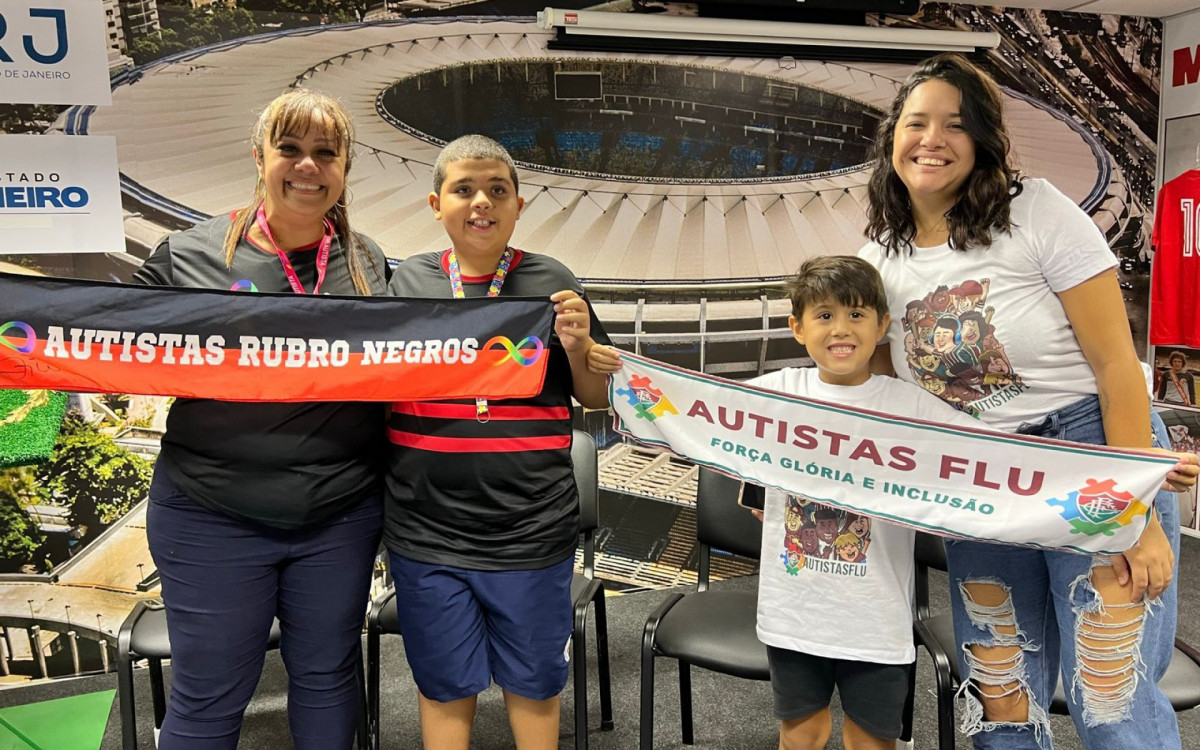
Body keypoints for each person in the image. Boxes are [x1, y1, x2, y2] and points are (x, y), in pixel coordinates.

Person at [858, 53, 1199, 749]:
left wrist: (1142, 517)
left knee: (1111, 702)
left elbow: (1115, 368)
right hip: (980, 479)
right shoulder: (879, 260)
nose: (932, 139)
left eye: (955, 125)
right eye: (916, 123)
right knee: (1000, 696)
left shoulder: (1036, 212)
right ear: (892, 136)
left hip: (1086, 455)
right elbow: (893, 397)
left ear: (983, 140)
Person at [591, 256, 984, 750]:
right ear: (797, 327)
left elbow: (990, 463)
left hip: (876, 619)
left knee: (874, 739)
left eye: (857, 315)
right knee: (800, 733)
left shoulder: (911, 407)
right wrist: (617, 371)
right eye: (824, 316)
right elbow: (691, 408)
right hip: (795, 616)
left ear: (883, 325)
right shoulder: (776, 395)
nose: (841, 329)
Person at [133, 89, 389, 750]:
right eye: (291, 149)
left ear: (344, 168)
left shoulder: (369, 264)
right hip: (210, 514)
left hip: (339, 514)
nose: (308, 166)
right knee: (211, 692)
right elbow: (104, 340)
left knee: (329, 678)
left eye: (325, 153)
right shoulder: (188, 258)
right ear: (259, 157)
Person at [383, 134, 610, 750]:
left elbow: (595, 396)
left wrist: (577, 347)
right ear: (437, 204)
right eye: (463, 189)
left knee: (534, 688)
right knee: (443, 688)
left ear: (518, 204)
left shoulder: (552, 281)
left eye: (497, 190)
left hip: (530, 529)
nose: (480, 202)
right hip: (426, 531)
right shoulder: (407, 282)